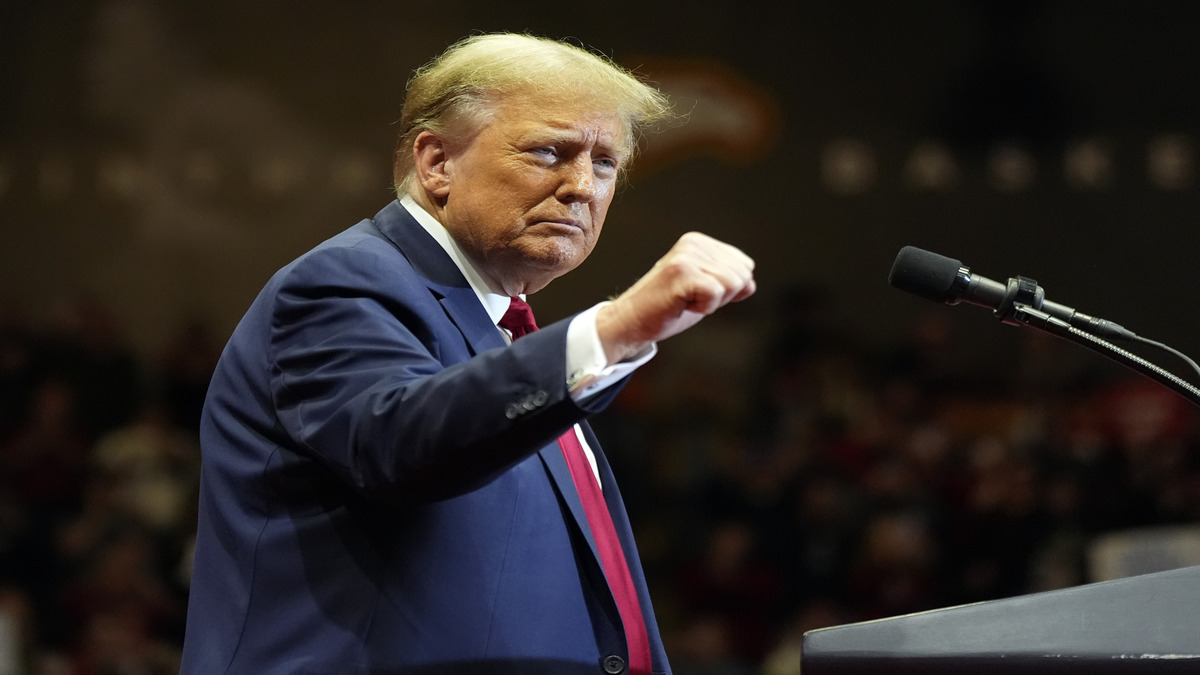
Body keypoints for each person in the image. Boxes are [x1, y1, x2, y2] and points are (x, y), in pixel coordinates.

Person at [180, 33, 756, 675]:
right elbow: (403, 442)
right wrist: (618, 327)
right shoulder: (343, 284)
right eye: (549, 151)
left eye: (604, 163)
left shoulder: (508, 332)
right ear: (437, 164)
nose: (580, 188)